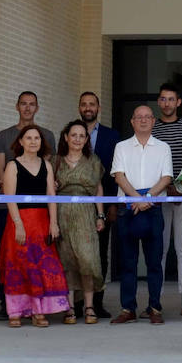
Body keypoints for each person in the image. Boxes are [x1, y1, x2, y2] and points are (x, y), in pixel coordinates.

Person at [0, 91, 56, 321]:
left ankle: (37, 308)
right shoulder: (3, 136)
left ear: (37, 108)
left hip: (39, 216)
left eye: (32, 105)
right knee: (11, 257)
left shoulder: (47, 135)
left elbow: (49, 176)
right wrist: (14, 187)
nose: (27, 108)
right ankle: (8, 306)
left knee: (38, 262)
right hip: (9, 209)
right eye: (24, 104)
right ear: (17, 106)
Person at [0, 126, 71, 327]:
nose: (33, 141)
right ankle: (15, 311)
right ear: (20, 142)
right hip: (19, 222)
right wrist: (18, 224)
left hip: (42, 223)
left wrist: (54, 222)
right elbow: (9, 197)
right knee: (19, 265)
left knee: (40, 266)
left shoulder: (46, 165)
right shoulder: (12, 166)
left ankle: (38, 312)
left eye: (37, 138)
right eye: (28, 138)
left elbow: (51, 196)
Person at [109, 104, 173, 325]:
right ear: (132, 122)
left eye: (148, 117)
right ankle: (128, 308)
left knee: (155, 262)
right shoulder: (122, 147)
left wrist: (147, 198)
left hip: (153, 207)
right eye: (139, 117)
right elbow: (119, 176)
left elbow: (166, 178)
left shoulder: (163, 147)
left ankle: (155, 307)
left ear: (153, 121)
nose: (144, 120)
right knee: (128, 262)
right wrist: (137, 198)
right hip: (128, 207)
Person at [52, 119, 105, 324]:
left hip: (85, 215)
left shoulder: (93, 161)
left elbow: (98, 189)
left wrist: (100, 215)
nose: (77, 139)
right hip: (62, 214)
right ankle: (70, 308)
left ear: (86, 139)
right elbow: (48, 191)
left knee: (87, 260)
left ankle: (89, 306)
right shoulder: (54, 161)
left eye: (82, 135)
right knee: (66, 261)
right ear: (66, 137)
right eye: (73, 135)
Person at [78, 91, 119, 320]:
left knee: (100, 254)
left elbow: (114, 172)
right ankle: (78, 302)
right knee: (76, 254)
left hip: (103, 204)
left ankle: (98, 302)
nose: (88, 108)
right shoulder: (71, 133)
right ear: (79, 108)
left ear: (98, 107)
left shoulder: (112, 136)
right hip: (74, 206)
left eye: (91, 104)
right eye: (84, 104)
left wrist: (111, 204)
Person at [151, 83, 182, 308]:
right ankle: (154, 301)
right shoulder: (152, 128)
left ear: (178, 102)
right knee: (160, 247)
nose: (167, 103)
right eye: (163, 99)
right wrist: (165, 188)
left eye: (171, 99)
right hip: (158, 194)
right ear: (159, 102)